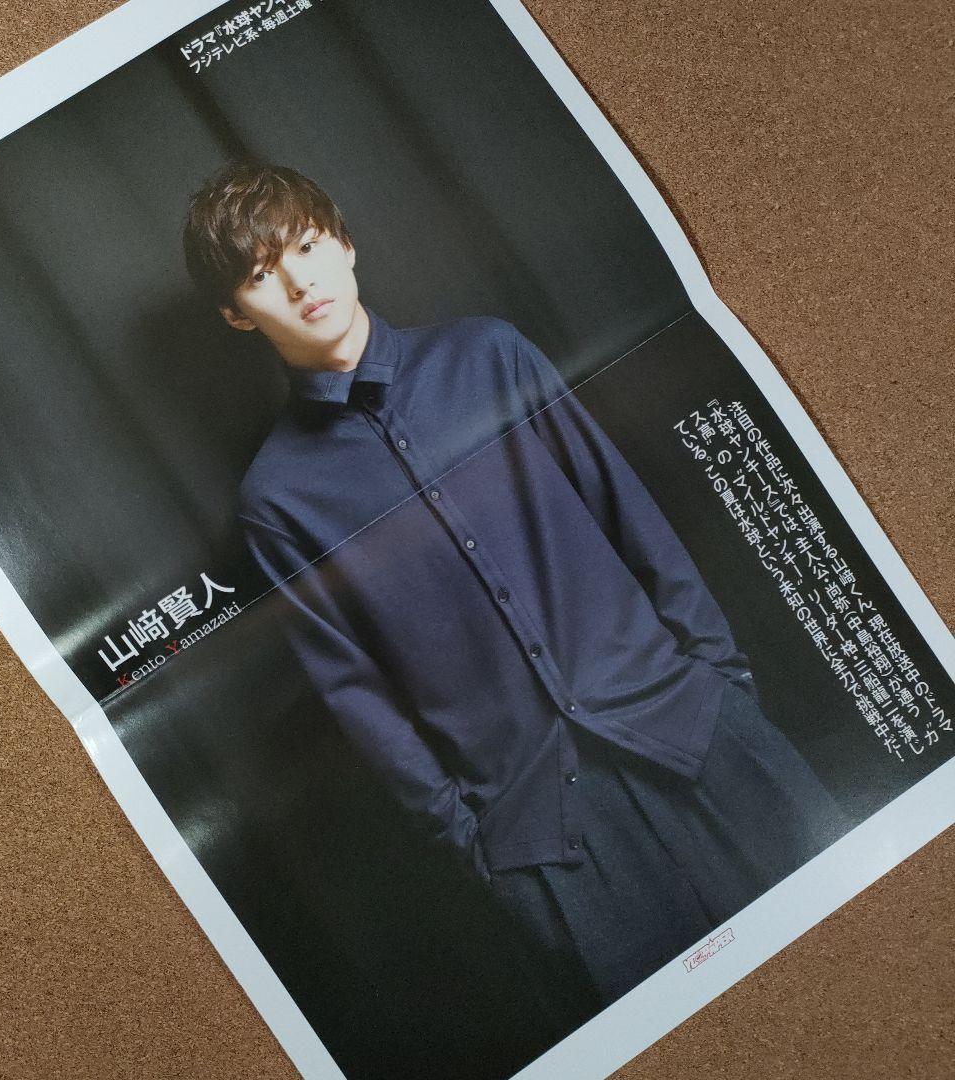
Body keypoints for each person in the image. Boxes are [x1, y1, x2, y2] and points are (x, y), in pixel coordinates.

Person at [182, 162, 849, 1019]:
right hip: (549, 840)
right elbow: (358, 692)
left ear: (344, 243)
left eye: (307, 246)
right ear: (237, 314)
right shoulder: (277, 498)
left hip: (695, 734)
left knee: (871, 968)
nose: (299, 281)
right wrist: (473, 842)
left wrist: (721, 685)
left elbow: (625, 511)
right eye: (260, 274)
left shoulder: (487, 355)